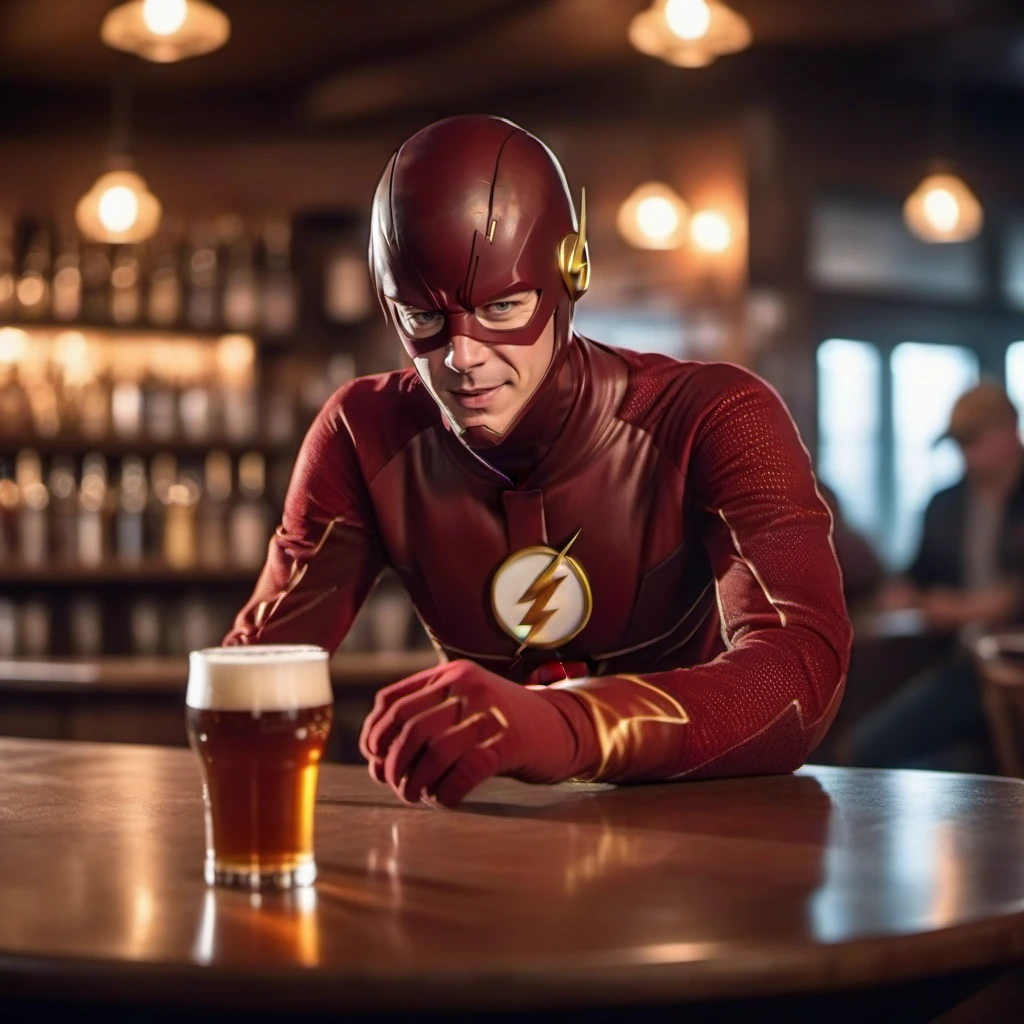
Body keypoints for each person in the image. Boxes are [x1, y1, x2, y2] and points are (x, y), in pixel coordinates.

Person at [225, 115, 851, 807]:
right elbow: (255, 671)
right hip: (492, 840)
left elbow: (799, 681)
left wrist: (567, 724)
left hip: (704, 845)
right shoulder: (362, 431)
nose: (462, 359)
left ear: (570, 276)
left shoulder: (715, 416)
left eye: (502, 307)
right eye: (424, 319)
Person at [845, 381, 1024, 770]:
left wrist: (967, 609)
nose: (966, 454)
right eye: (960, 443)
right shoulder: (945, 504)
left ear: (1010, 432)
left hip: (1013, 666)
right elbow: (918, 574)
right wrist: (900, 593)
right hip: (966, 666)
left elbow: (1012, 596)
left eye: (974, 441)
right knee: (866, 749)